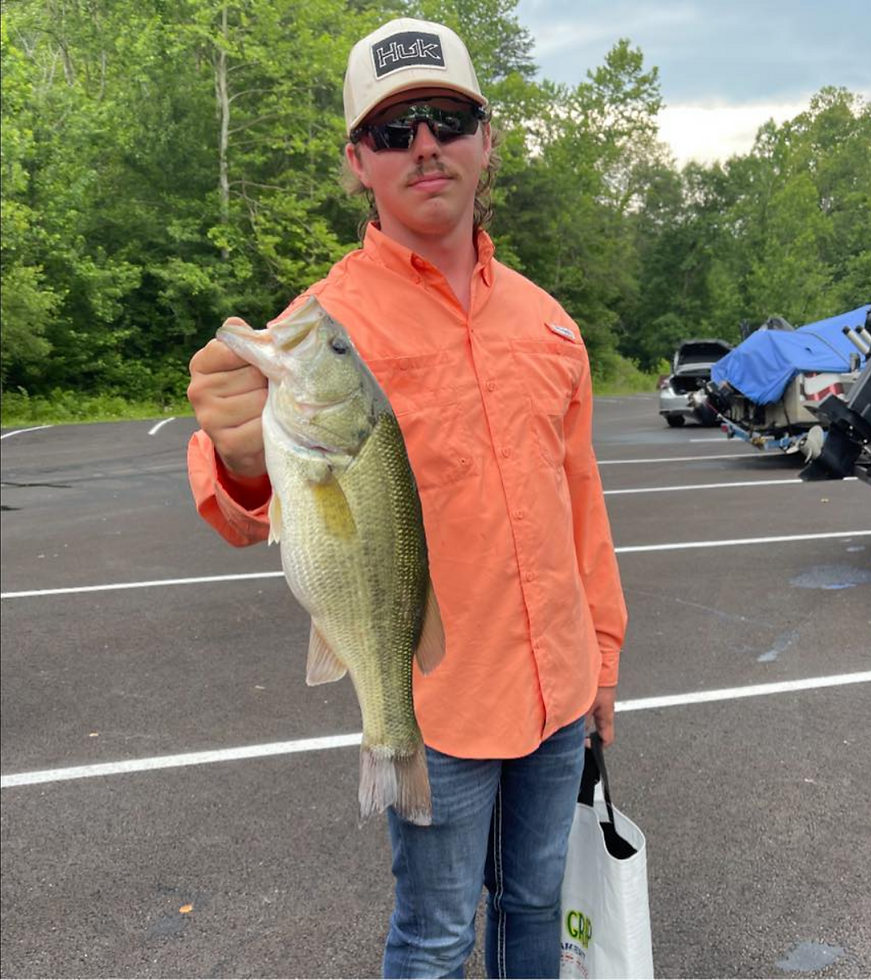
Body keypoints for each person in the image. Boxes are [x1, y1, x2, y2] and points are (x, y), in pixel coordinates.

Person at [186, 16, 628, 979]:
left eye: (448, 118)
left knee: (534, 908)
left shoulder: (550, 321)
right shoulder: (316, 328)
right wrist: (238, 450)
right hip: (436, 702)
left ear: (487, 140)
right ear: (357, 162)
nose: (425, 144)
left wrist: (601, 655)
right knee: (433, 937)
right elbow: (248, 505)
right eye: (393, 130)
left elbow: (580, 503)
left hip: (556, 690)